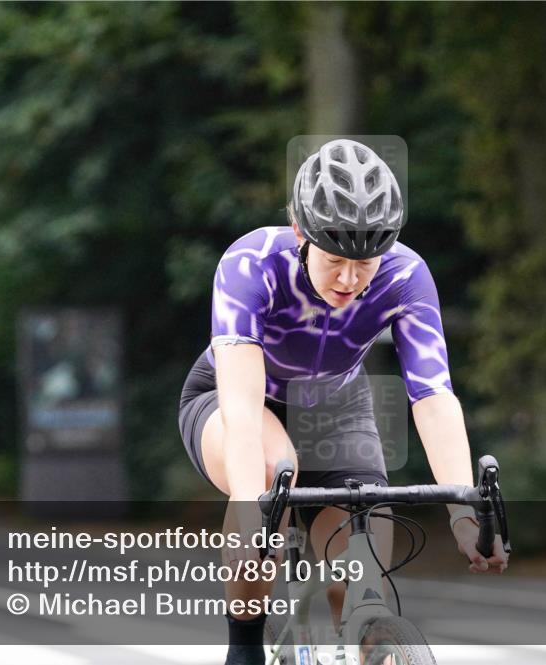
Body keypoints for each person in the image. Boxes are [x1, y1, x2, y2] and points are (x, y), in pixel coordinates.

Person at [177, 139, 509, 665]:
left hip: (336, 406)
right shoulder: (251, 264)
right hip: (240, 400)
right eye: (335, 261)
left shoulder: (406, 276)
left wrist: (464, 516)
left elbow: (433, 396)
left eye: (366, 262)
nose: (351, 280)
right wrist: (247, 512)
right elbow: (240, 405)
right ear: (300, 233)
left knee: (358, 575)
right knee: (269, 478)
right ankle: (244, 650)